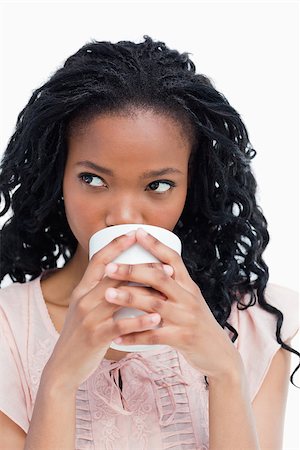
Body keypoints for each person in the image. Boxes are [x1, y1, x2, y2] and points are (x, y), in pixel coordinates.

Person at [0, 36, 299, 450]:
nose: (124, 215)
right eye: (93, 179)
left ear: (190, 188)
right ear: (59, 178)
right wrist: (59, 381)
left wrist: (226, 372)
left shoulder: (255, 325)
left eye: (158, 185)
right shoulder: (8, 329)